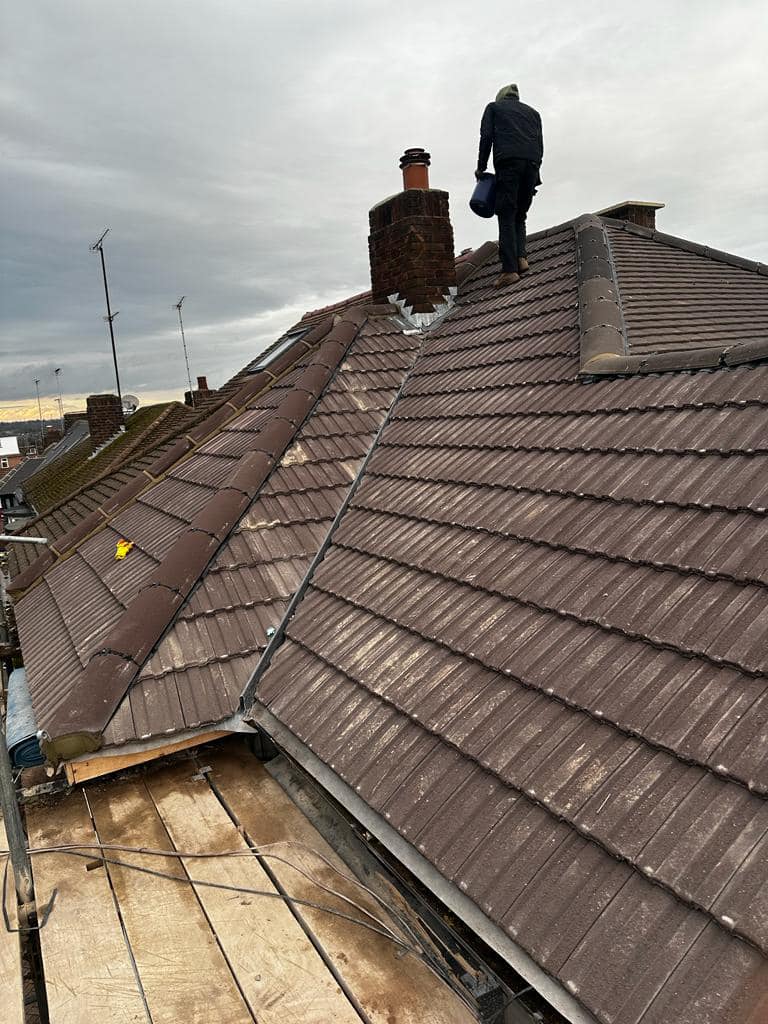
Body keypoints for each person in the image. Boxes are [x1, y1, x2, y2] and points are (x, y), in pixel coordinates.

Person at [476, 84, 543, 288]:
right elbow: (540, 144)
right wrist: (535, 176)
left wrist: (481, 168)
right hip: (531, 165)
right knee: (520, 213)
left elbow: (486, 137)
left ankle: (509, 270)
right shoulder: (533, 113)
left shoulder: (494, 108)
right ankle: (521, 258)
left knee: (505, 213)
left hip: (509, 164)